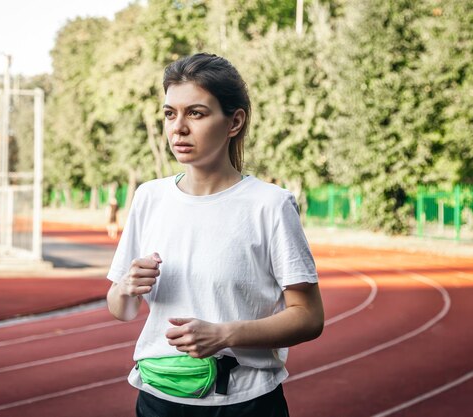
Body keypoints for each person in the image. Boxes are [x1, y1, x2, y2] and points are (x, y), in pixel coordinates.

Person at [106, 53, 324, 417]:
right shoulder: (149, 197)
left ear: (234, 121)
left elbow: (309, 317)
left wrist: (225, 335)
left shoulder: (270, 205)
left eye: (196, 113)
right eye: (169, 114)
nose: (178, 128)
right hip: (158, 401)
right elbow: (122, 309)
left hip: (245, 403)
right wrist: (127, 286)